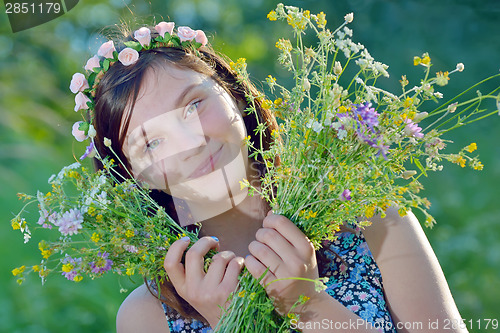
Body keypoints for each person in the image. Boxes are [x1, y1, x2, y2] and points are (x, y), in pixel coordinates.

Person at [79, 22, 468, 332]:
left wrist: (310, 304)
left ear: (235, 95)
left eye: (193, 106)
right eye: (152, 143)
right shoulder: (147, 317)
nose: (190, 144)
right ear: (133, 177)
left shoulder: (374, 224)